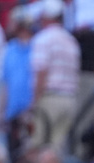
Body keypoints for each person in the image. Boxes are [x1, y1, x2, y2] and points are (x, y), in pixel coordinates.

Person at [29, 0, 81, 153]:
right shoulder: (72, 41)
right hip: (69, 100)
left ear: (46, 17)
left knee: (36, 148)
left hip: (48, 99)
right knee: (55, 151)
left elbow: (41, 72)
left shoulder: (43, 38)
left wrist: (34, 103)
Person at [0, 7, 35, 163]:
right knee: (13, 158)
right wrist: (1, 113)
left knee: (30, 158)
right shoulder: (9, 49)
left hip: (31, 114)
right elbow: (6, 84)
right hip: (12, 113)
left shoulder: (37, 47)